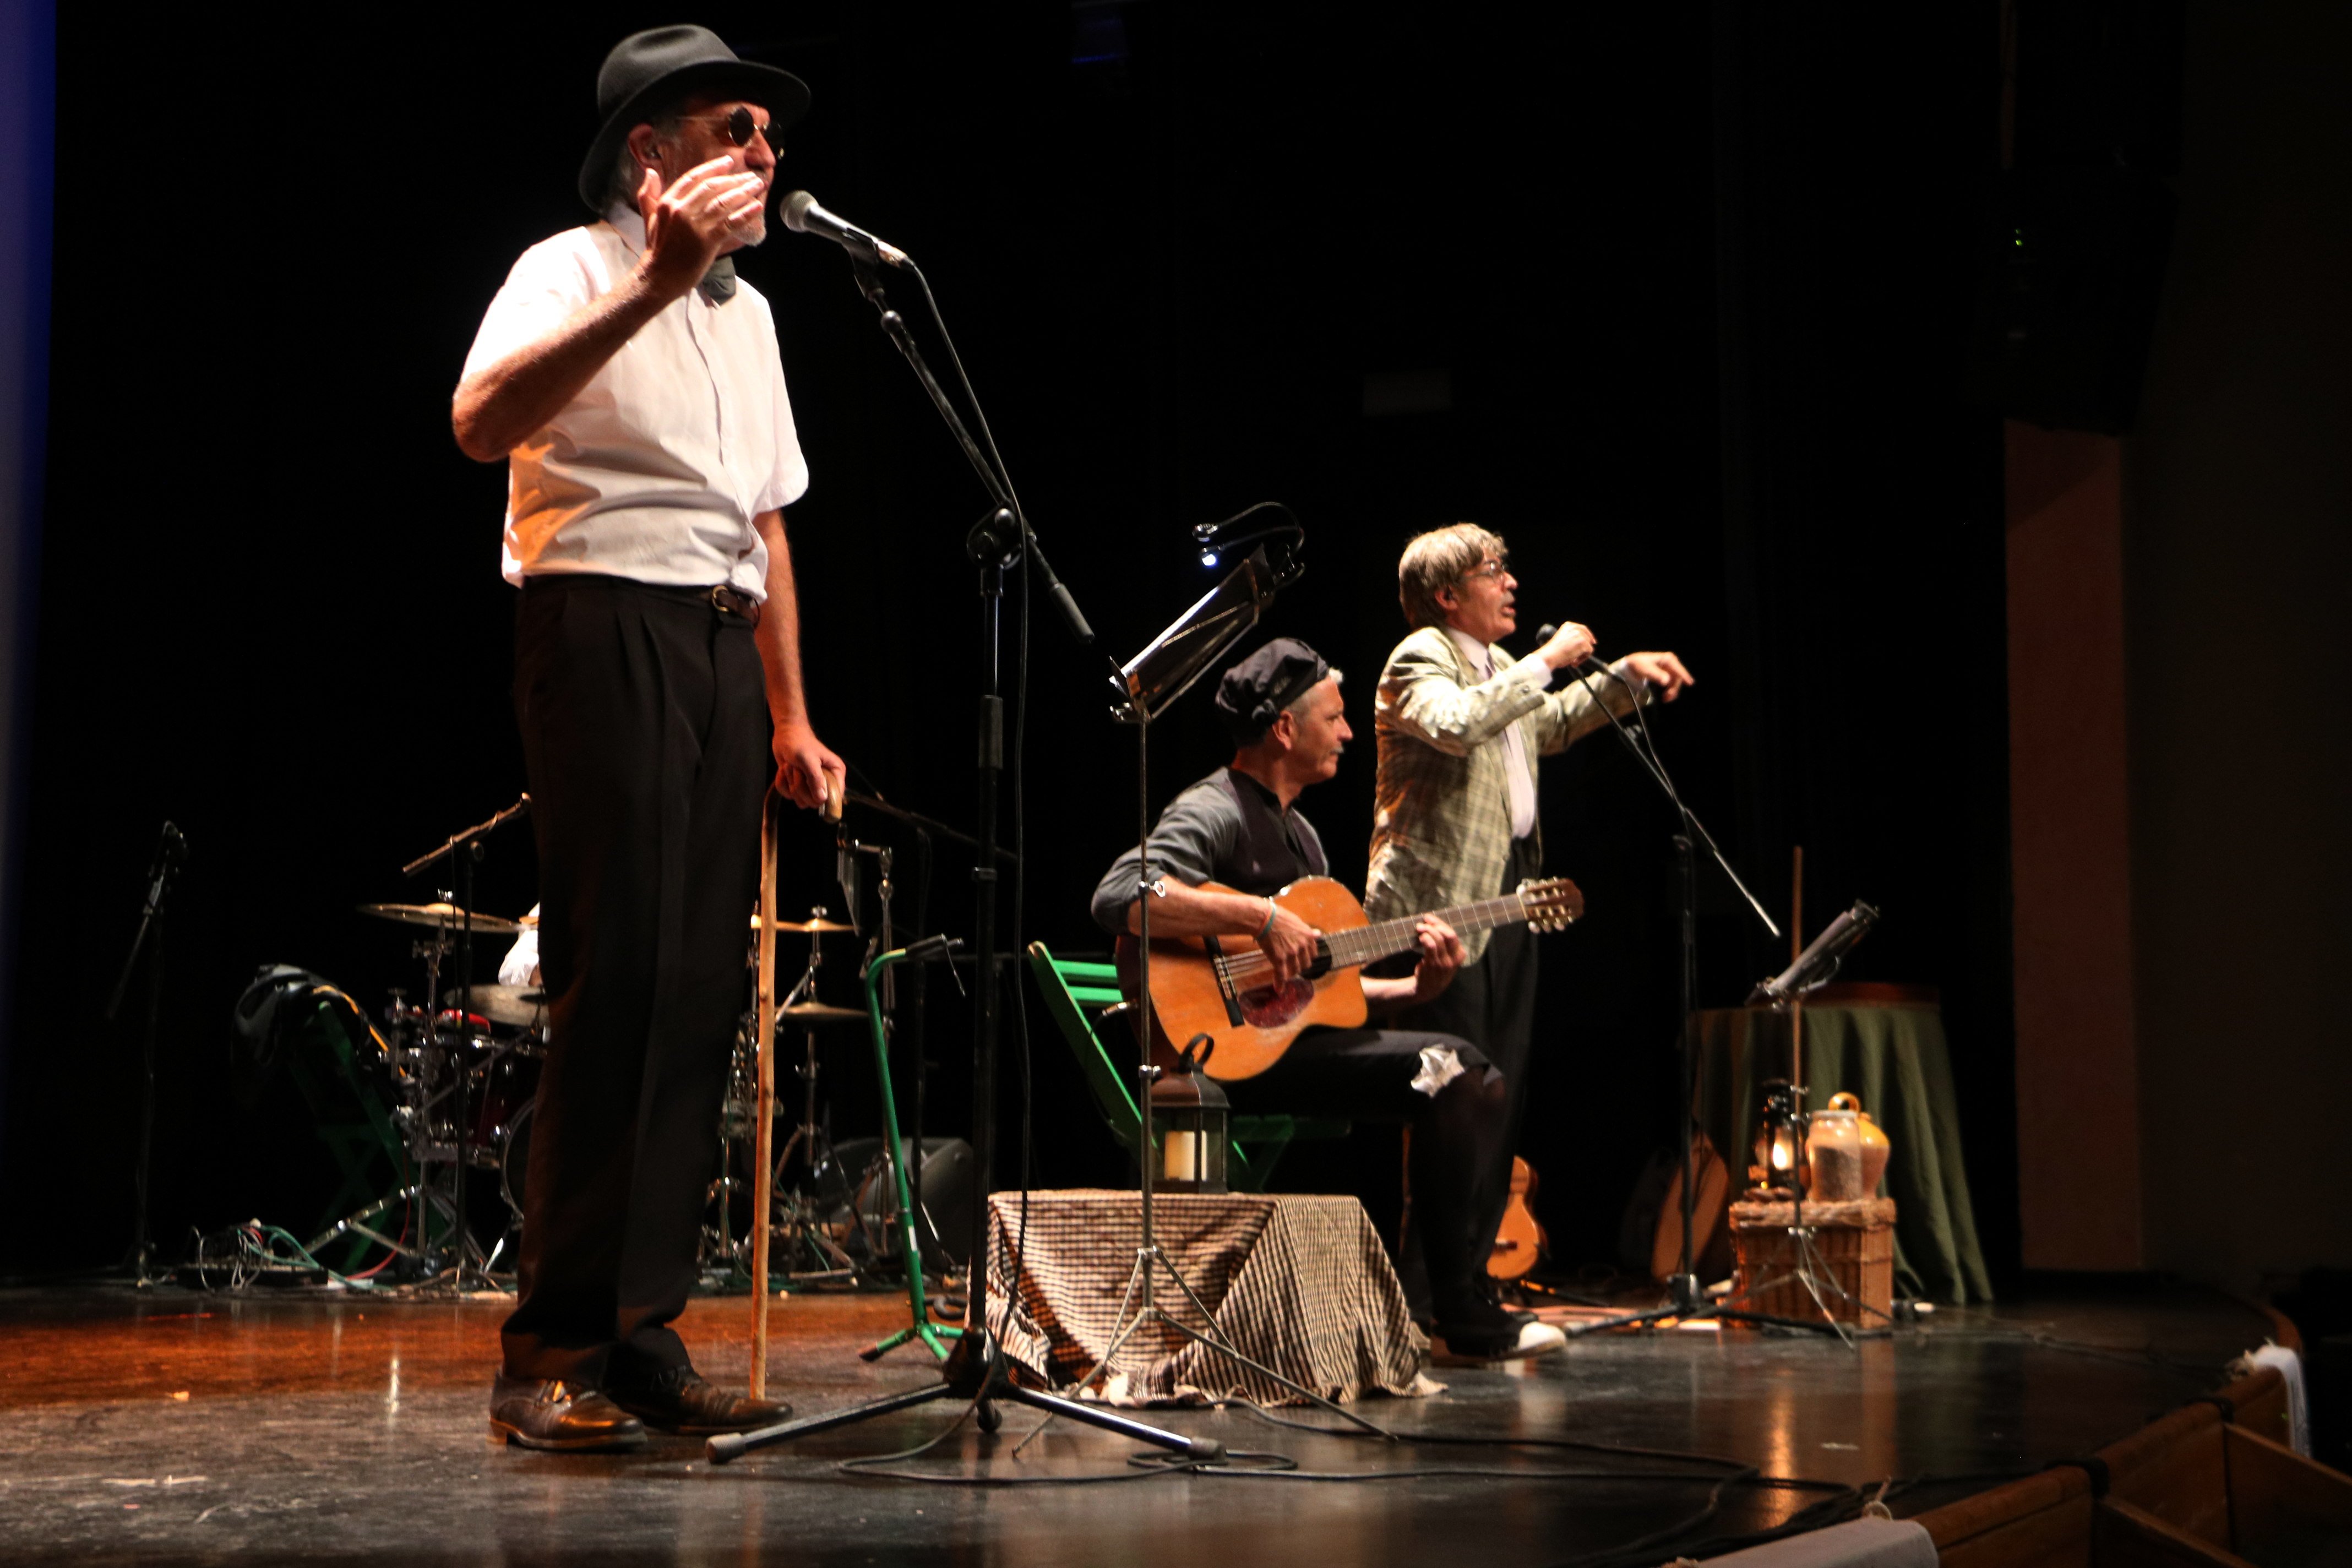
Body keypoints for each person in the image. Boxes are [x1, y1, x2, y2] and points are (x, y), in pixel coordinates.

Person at [451, 25, 845, 1451]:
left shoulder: (754, 316)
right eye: (735, 127)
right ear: (650, 154)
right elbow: (480, 423)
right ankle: (548, 1350)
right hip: (601, 616)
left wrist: (791, 713)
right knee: (613, 981)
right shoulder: (568, 270)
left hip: (720, 643)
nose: (764, 151)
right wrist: (652, 285)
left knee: (696, 998)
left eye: (769, 133)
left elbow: (767, 521)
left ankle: (639, 1334)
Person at [1090, 638, 1567, 1359]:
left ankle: (1448, 1308)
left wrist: (1418, 986)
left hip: (1286, 1051)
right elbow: (1121, 894)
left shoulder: (1304, 837)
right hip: (1215, 1061)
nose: (1348, 732)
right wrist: (1260, 917)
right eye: (1335, 718)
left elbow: (1320, 994)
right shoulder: (1215, 808)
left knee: (1463, 1072)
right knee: (1457, 1071)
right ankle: (1458, 1312)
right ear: (1285, 727)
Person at [1366, 523, 1694, 1283]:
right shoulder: (1420, 658)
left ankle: (1470, 1287)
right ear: (1447, 596)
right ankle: (1425, 1298)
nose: (1511, 582)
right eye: (1493, 571)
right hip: (1437, 913)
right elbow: (1456, 724)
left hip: (1508, 900)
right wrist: (1547, 661)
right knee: (1451, 1100)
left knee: (1498, 1100)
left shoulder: (1499, 668)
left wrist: (1626, 679)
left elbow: (1549, 724)